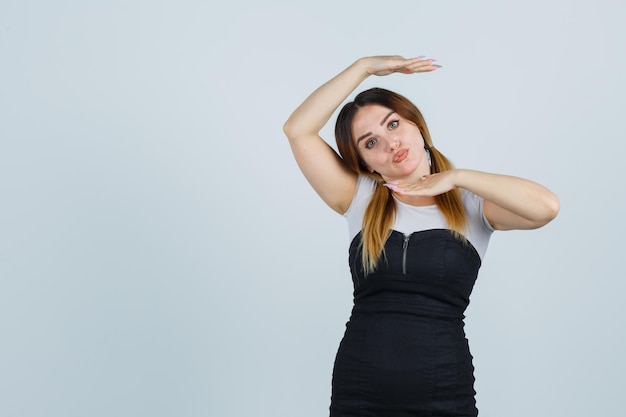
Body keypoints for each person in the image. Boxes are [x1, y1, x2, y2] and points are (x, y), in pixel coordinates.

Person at [282, 55, 560, 417]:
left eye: (393, 124)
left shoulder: (473, 205)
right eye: (370, 143)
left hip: (443, 392)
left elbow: (546, 207)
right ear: (366, 164)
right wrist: (364, 67)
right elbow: (297, 130)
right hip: (359, 391)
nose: (390, 143)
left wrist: (457, 178)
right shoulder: (359, 199)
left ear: (417, 125)